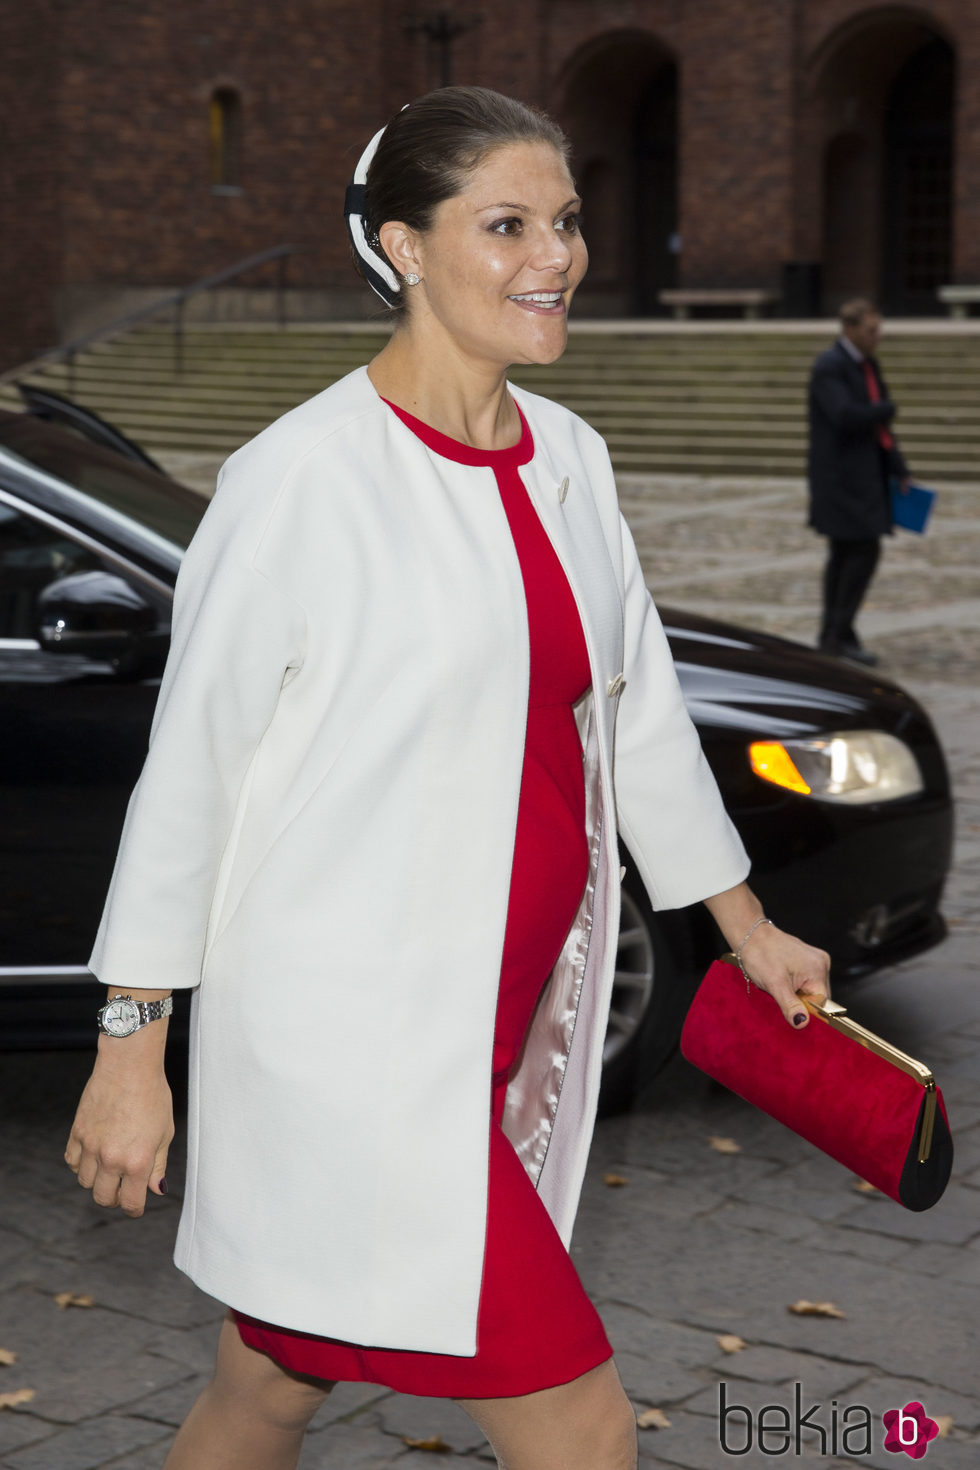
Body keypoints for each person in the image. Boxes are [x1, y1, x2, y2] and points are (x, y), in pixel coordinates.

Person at [66, 87, 831, 1470]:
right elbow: (188, 778)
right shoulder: (296, 479)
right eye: (507, 224)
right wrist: (133, 1046)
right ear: (402, 248)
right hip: (350, 1054)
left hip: (508, 1026)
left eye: (567, 220)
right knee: (583, 1424)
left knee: (266, 1389)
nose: (558, 255)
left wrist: (744, 924)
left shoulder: (574, 464)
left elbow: (640, 717)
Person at [807, 298, 912, 665]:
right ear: (849, 329)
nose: (877, 336)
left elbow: (880, 427)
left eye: (878, 328)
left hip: (866, 476)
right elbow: (845, 415)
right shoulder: (830, 366)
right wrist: (885, 409)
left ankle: (838, 633)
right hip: (841, 481)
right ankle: (835, 634)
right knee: (856, 554)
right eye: (871, 330)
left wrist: (899, 467)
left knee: (851, 554)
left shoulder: (867, 365)